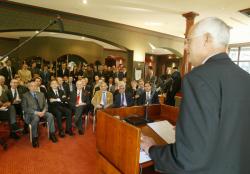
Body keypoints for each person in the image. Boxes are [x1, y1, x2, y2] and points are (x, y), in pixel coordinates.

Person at [141, 17, 250, 174]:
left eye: (188, 40)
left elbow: (188, 158)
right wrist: (188, 129)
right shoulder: (245, 78)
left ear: (206, 39)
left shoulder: (198, 78)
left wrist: (152, 149)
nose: (185, 47)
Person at [22, 80, 57, 148]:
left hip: (42, 112)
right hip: (31, 113)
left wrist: (43, 111)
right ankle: (34, 137)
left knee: (50, 115)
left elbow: (45, 104)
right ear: (28, 87)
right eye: (31, 86)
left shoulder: (41, 94)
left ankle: (52, 134)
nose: (33, 87)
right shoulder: (25, 95)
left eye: (35, 86)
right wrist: (36, 113)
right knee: (36, 118)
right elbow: (25, 108)